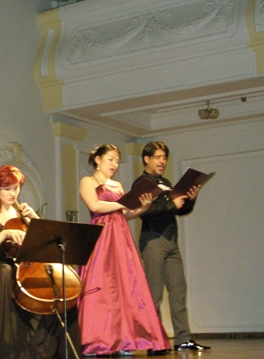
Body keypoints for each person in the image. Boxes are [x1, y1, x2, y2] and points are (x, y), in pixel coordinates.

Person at [0, 165, 79, 359]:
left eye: (16, 188)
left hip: (17, 271)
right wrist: (4, 234)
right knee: (4, 271)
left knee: (56, 286)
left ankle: (60, 351)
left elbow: (43, 245)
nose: (13, 193)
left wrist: (34, 220)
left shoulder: (20, 214)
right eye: (7, 189)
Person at [77, 144, 170, 356]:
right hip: (102, 235)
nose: (114, 164)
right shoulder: (88, 181)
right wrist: (122, 204)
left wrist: (143, 207)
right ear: (98, 159)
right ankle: (95, 339)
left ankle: (124, 339)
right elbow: (95, 206)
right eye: (110, 159)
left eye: (117, 161)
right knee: (101, 285)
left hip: (120, 235)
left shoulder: (117, 184)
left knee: (125, 286)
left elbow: (126, 214)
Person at [132, 141, 209, 352]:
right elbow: (144, 212)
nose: (162, 162)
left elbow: (180, 210)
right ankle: (155, 341)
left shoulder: (165, 182)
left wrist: (190, 200)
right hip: (153, 240)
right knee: (155, 293)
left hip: (171, 240)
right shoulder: (141, 184)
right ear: (147, 159)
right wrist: (169, 205)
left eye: (164, 158)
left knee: (178, 290)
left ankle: (183, 338)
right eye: (158, 157)